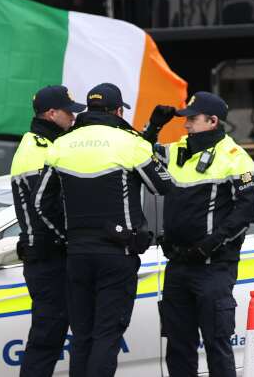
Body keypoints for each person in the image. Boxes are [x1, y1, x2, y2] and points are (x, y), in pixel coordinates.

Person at [40, 83, 176, 377]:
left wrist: (65, 236)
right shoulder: (129, 143)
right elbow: (163, 184)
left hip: (76, 253)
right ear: (117, 111)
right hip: (117, 252)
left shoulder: (61, 144)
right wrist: (149, 142)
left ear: (87, 109)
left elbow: (41, 202)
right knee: (106, 335)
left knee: (82, 336)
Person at [146, 92, 254, 377]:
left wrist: (210, 245)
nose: (185, 125)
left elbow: (247, 211)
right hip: (178, 265)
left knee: (216, 344)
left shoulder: (235, 157)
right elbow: (140, 159)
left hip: (213, 268)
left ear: (212, 121)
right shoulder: (178, 149)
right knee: (178, 346)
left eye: (192, 119)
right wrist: (153, 128)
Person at [10, 86, 85, 377]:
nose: (73, 118)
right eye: (69, 112)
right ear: (52, 114)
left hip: (50, 256)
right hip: (48, 257)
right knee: (47, 337)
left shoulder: (46, 143)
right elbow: (46, 209)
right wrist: (70, 238)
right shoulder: (37, 150)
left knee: (53, 335)